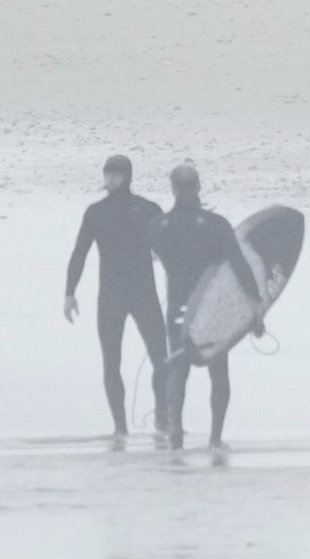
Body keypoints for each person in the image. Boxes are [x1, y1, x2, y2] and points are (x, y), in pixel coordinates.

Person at [152, 163, 262, 451]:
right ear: (199, 187)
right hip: (212, 309)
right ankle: (215, 437)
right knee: (218, 370)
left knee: (178, 369)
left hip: (177, 306)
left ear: (173, 188)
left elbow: (147, 259)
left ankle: (175, 430)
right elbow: (240, 267)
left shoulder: (158, 226)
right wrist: (256, 306)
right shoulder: (217, 225)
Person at [64, 154, 168, 444]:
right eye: (107, 174)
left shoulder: (149, 210)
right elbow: (80, 252)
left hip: (144, 294)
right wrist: (69, 293)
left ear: (127, 177)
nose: (109, 179)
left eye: (115, 175)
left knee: (162, 358)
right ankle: (120, 427)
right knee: (111, 361)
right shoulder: (95, 212)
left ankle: (163, 418)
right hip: (110, 296)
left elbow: (168, 248)